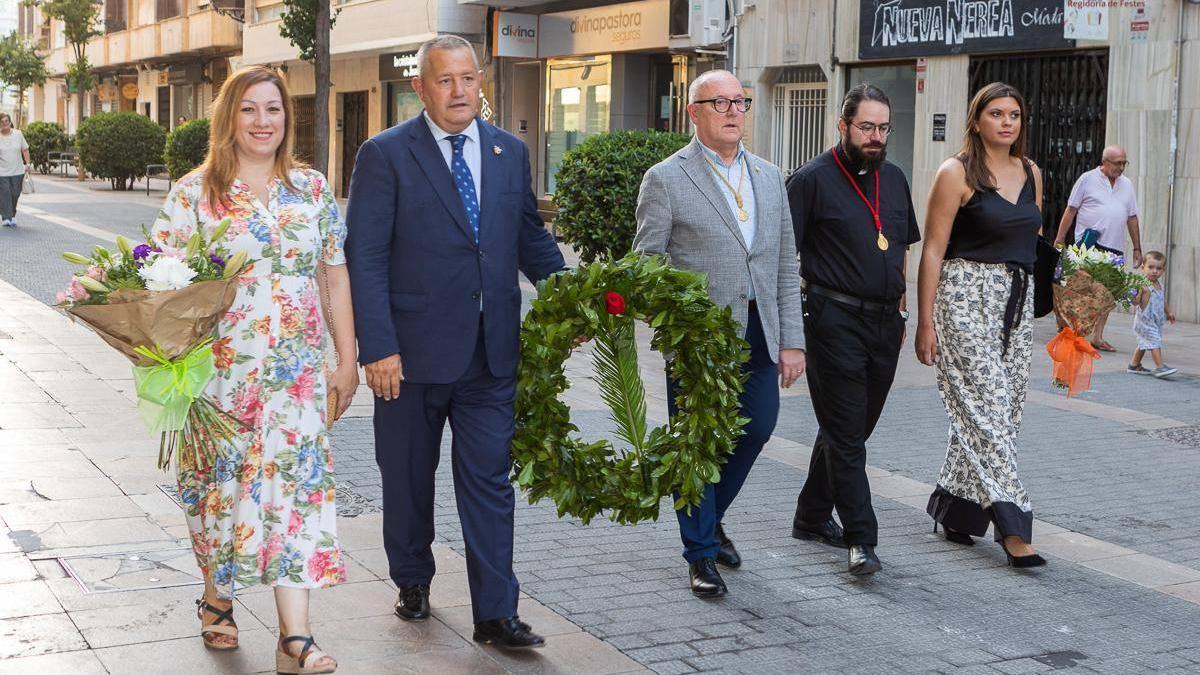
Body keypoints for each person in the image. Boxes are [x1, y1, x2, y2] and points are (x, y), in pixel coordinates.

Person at [345, 35, 564, 649]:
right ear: (421, 87)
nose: (460, 91)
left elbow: (531, 240)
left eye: (469, 78)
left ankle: (496, 612)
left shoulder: (508, 150)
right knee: (408, 478)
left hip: (491, 356)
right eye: (446, 80)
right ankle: (412, 577)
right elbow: (364, 256)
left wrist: (579, 297)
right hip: (408, 357)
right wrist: (377, 347)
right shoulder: (384, 155)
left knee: (491, 482)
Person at [152, 65, 358, 673]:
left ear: (287, 119)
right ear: (228, 118)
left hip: (296, 372)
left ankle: (296, 638)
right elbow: (157, 283)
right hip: (219, 372)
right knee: (218, 492)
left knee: (293, 490)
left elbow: (334, 274)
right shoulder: (194, 193)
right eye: (248, 110)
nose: (262, 122)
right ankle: (218, 596)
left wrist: (346, 359)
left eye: (273, 110)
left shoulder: (313, 189)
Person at [634, 69, 806, 597]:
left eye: (740, 102)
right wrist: (680, 319)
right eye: (720, 103)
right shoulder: (665, 177)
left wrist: (792, 340)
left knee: (756, 428)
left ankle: (710, 521)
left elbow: (783, 264)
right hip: (698, 338)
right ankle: (701, 554)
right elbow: (646, 263)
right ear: (694, 112)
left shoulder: (771, 176)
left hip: (760, 327)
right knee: (697, 444)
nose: (734, 112)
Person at [785, 84, 919, 576]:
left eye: (883, 127)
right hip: (832, 318)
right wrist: (787, 336)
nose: (876, 136)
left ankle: (812, 515)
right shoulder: (811, 180)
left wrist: (903, 311)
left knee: (851, 428)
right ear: (842, 126)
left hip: (885, 323)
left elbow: (902, 247)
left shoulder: (896, 178)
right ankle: (861, 538)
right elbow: (783, 259)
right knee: (847, 435)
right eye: (866, 127)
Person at [916, 82, 1046, 568]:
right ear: (977, 120)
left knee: (1003, 411)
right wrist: (925, 322)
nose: (1007, 122)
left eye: (1014, 114)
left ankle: (957, 510)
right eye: (997, 113)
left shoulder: (1032, 172)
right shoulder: (955, 172)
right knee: (987, 410)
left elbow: (1032, 238)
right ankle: (1014, 526)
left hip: (1016, 300)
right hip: (965, 294)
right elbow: (932, 249)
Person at [1053, 145, 1142, 352]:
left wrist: (1137, 247)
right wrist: (1059, 238)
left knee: (1108, 294)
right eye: (1117, 163)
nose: (1121, 168)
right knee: (1079, 290)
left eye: (1124, 163)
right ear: (1105, 162)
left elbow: (1132, 217)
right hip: (1089, 245)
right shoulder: (1087, 179)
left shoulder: (1127, 184)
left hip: (1115, 247)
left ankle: (1098, 337)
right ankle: (1072, 330)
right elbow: (1071, 209)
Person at [1127, 251, 1176, 378]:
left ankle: (1134, 365)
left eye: (1158, 268)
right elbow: (1136, 302)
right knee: (1154, 342)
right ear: (1143, 268)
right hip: (1145, 321)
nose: (1155, 271)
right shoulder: (1142, 284)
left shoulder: (1159, 285)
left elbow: (1162, 300)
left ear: (1163, 270)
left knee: (1144, 343)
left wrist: (1169, 312)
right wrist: (1135, 294)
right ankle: (1160, 367)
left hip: (1156, 321)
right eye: (1151, 267)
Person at [0, 112, 32, 227]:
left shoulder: (18, 134)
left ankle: (12, 215)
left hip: (18, 171)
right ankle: (5, 217)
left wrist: (27, 164)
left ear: (10, 122)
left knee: (14, 194)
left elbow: (25, 149)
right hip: (2, 172)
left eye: (6, 121)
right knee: (5, 194)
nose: (4, 124)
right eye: (2, 122)